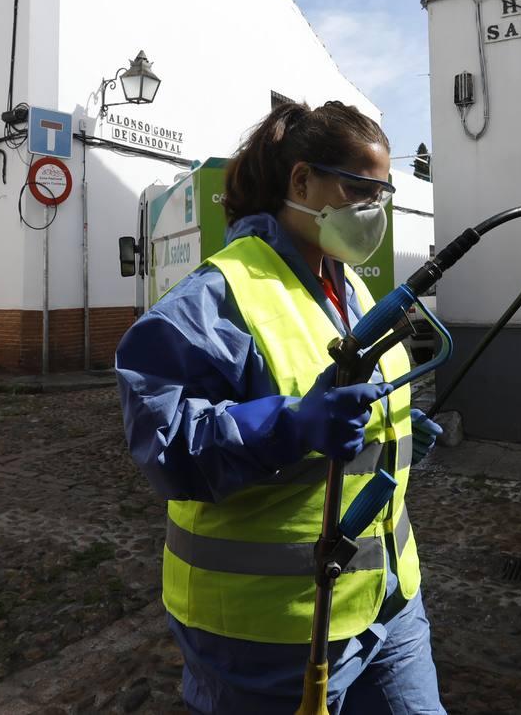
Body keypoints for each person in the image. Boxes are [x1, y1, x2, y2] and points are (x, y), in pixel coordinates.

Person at [116, 100, 446, 714]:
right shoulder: (218, 294)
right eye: (360, 188)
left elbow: (356, 400)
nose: (374, 208)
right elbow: (163, 446)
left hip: (389, 603)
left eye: (384, 193)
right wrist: (291, 425)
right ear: (302, 181)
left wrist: (396, 429)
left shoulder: (346, 282)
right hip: (268, 636)